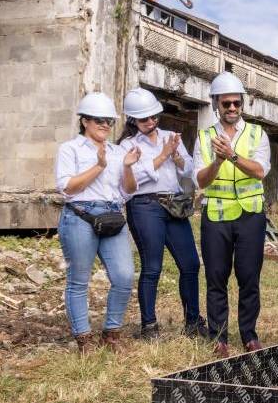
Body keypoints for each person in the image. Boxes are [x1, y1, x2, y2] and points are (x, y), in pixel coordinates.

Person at [55, 92, 140, 354]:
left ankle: (111, 334)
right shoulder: (70, 149)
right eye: (99, 120)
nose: (105, 125)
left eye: (109, 121)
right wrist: (99, 166)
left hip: (112, 215)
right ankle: (84, 339)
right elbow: (67, 188)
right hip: (80, 216)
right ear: (85, 121)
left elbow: (128, 191)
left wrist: (126, 167)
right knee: (79, 280)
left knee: (124, 276)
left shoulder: (118, 151)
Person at [194, 72, 270, 357]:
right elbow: (200, 181)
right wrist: (217, 161)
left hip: (250, 215)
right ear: (216, 103)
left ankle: (249, 335)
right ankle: (219, 337)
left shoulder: (256, 134)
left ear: (242, 104)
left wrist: (234, 156)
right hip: (216, 215)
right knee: (216, 277)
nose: (232, 109)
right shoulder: (204, 137)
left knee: (249, 277)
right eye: (226, 104)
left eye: (236, 103)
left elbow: (260, 170)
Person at [118, 88, 204, 341]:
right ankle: (149, 325)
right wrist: (163, 155)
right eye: (144, 119)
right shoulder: (128, 145)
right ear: (133, 120)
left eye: (154, 117)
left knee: (190, 264)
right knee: (152, 266)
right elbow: (132, 179)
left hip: (174, 202)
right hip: (144, 205)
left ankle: (192, 321)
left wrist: (175, 155)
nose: (151, 122)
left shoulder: (169, 136)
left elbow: (188, 170)